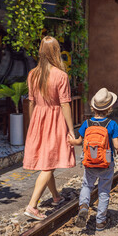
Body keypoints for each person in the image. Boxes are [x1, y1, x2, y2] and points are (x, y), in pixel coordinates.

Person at [23, 36, 76, 220]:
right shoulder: (61, 75)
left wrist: (31, 125)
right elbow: (65, 105)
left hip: (38, 119)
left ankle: (56, 196)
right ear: (56, 51)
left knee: (48, 161)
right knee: (49, 163)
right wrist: (71, 130)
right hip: (54, 120)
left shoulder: (32, 74)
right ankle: (32, 205)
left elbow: (30, 102)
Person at [68, 88, 118, 231]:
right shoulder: (112, 124)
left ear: (93, 107)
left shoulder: (87, 124)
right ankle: (100, 222)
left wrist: (71, 142)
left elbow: (79, 141)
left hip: (90, 162)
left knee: (87, 185)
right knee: (103, 191)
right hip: (106, 163)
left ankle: (84, 206)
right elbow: (116, 145)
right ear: (109, 108)